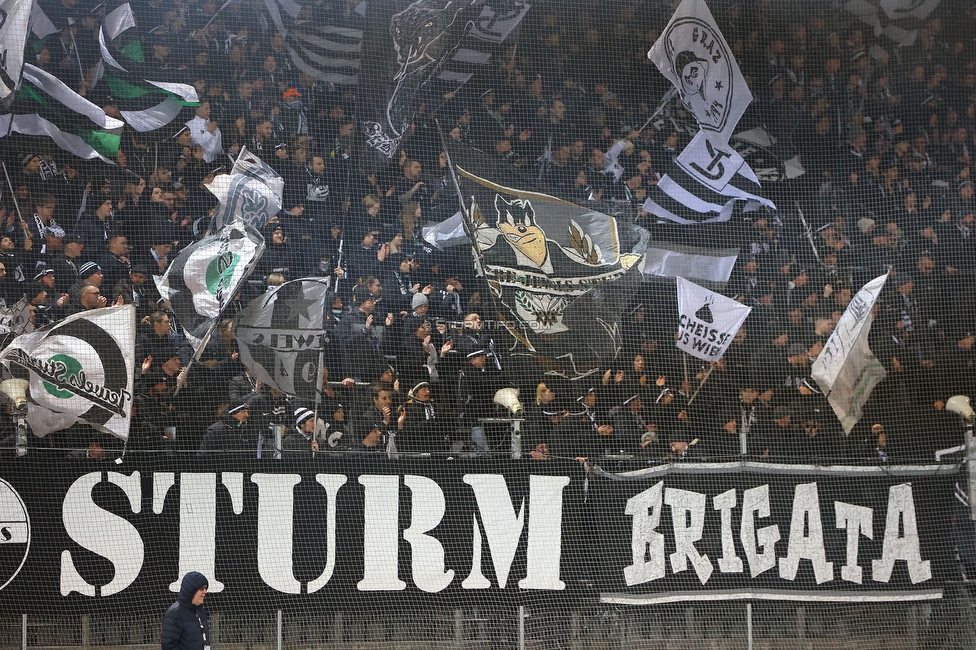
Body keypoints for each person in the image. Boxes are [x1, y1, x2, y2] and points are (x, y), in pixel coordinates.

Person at [160, 571, 210, 650]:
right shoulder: (174, 613)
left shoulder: (200, 611)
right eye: (201, 589)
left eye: (205, 588)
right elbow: (169, 646)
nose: (205, 592)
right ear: (191, 590)